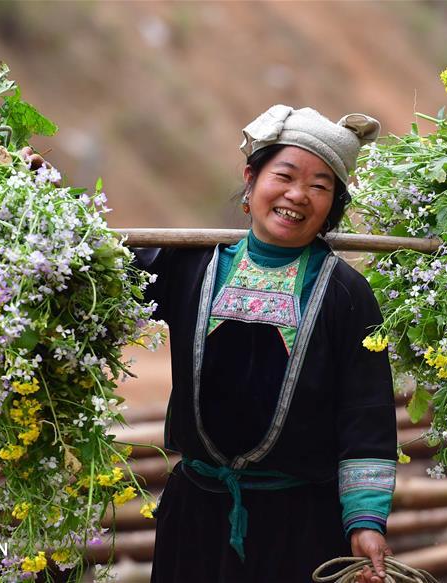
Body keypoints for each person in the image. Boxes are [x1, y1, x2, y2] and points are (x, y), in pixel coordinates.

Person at [135, 104, 397, 583]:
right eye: (285, 175)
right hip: (195, 515)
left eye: (320, 186)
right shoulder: (189, 265)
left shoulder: (346, 295)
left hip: (301, 528)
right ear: (251, 178)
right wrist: (38, 188)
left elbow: (367, 412)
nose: (297, 195)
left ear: (334, 206)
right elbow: (95, 266)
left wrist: (365, 520)